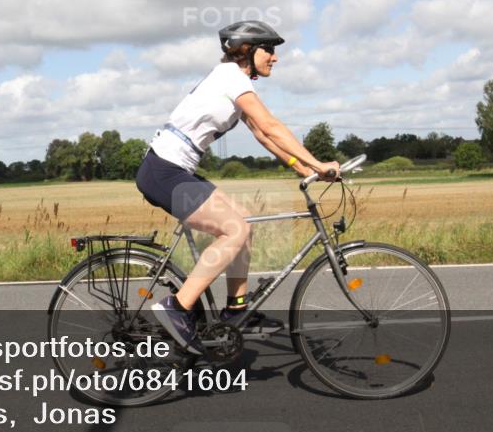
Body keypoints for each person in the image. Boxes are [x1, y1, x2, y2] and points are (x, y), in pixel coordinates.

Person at [135, 20, 341, 354]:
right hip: (163, 170)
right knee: (233, 230)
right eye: (269, 49)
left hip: (174, 169)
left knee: (244, 220)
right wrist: (319, 164)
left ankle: (235, 308)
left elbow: (261, 135)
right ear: (246, 51)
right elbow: (271, 125)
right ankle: (177, 306)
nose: (275, 57)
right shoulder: (231, 77)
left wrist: (301, 167)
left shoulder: (235, 81)